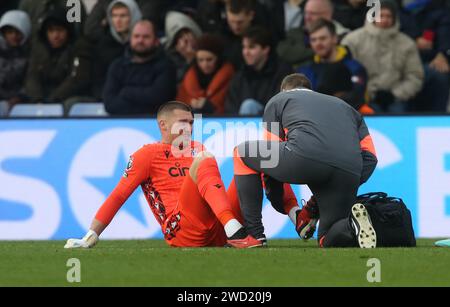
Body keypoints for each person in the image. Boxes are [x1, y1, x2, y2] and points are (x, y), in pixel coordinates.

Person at [64, 101, 262, 249]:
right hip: (181, 231)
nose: (190, 128)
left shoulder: (197, 147)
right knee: (204, 158)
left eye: (192, 122)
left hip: (216, 230)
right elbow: (118, 195)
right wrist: (91, 234)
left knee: (253, 159)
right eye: (183, 122)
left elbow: (211, 190)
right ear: (163, 125)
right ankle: (234, 230)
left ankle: (283, 219)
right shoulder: (147, 154)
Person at [233, 73, 378, 248]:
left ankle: (255, 235)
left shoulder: (279, 100)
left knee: (241, 153)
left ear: (284, 90)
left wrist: (284, 205)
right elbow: (371, 157)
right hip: (349, 170)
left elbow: (270, 158)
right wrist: (341, 187)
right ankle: (352, 226)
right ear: (311, 91)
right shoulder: (348, 108)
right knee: (328, 238)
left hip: (304, 158)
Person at [341, 0, 424, 113]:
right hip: (362, 99)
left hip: (396, 99)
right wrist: (363, 93)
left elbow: (415, 77)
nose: (385, 20)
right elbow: (344, 71)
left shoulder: (407, 44)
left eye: (389, 16)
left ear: (395, 18)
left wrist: (395, 94)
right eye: (381, 15)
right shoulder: (352, 40)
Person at [298, 19, 372, 114]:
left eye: (322, 38)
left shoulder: (355, 68)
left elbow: (357, 98)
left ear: (335, 39)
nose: (318, 43)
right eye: (313, 40)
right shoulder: (305, 71)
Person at [102, 20, 176, 115]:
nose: (140, 41)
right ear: (130, 39)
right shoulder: (117, 66)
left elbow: (159, 98)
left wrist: (126, 92)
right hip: (121, 125)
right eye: (136, 36)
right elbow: (109, 104)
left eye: (146, 37)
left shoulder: (166, 66)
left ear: (156, 41)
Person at [24, 6, 89, 103]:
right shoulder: (38, 50)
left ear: (68, 31)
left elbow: (76, 79)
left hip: (67, 98)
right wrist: (37, 99)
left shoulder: (80, 48)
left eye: (60, 30)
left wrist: (53, 100)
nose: (55, 35)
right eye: (51, 31)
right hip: (42, 99)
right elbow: (32, 77)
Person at [225, 26, 293, 115]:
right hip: (240, 127)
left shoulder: (283, 74)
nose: (246, 52)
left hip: (273, 125)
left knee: (248, 106)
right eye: (244, 47)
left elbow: (281, 108)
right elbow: (230, 108)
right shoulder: (239, 77)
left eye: (251, 47)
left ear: (266, 49)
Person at [277, 0, 349, 67]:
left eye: (313, 13)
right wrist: (320, 49)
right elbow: (282, 52)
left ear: (327, 14)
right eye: (306, 13)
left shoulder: (343, 35)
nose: (307, 17)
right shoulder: (295, 32)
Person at [176, 34, 235, 114]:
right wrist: (190, 106)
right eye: (201, 60)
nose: (205, 65)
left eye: (209, 60)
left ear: (218, 59)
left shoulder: (230, 78)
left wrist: (209, 106)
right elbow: (178, 109)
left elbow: (231, 109)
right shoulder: (189, 79)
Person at [0, 10, 31, 115]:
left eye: (18, 32)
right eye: (9, 32)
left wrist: (20, 97)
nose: (14, 36)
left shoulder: (31, 54)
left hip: (19, 102)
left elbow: (30, 81)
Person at [164, 11, 202, 84]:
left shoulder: (207, 46)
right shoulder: (171, 59)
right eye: (180, 37)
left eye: (187, 33)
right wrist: (189, 60)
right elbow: (180, 82)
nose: (185, 39)